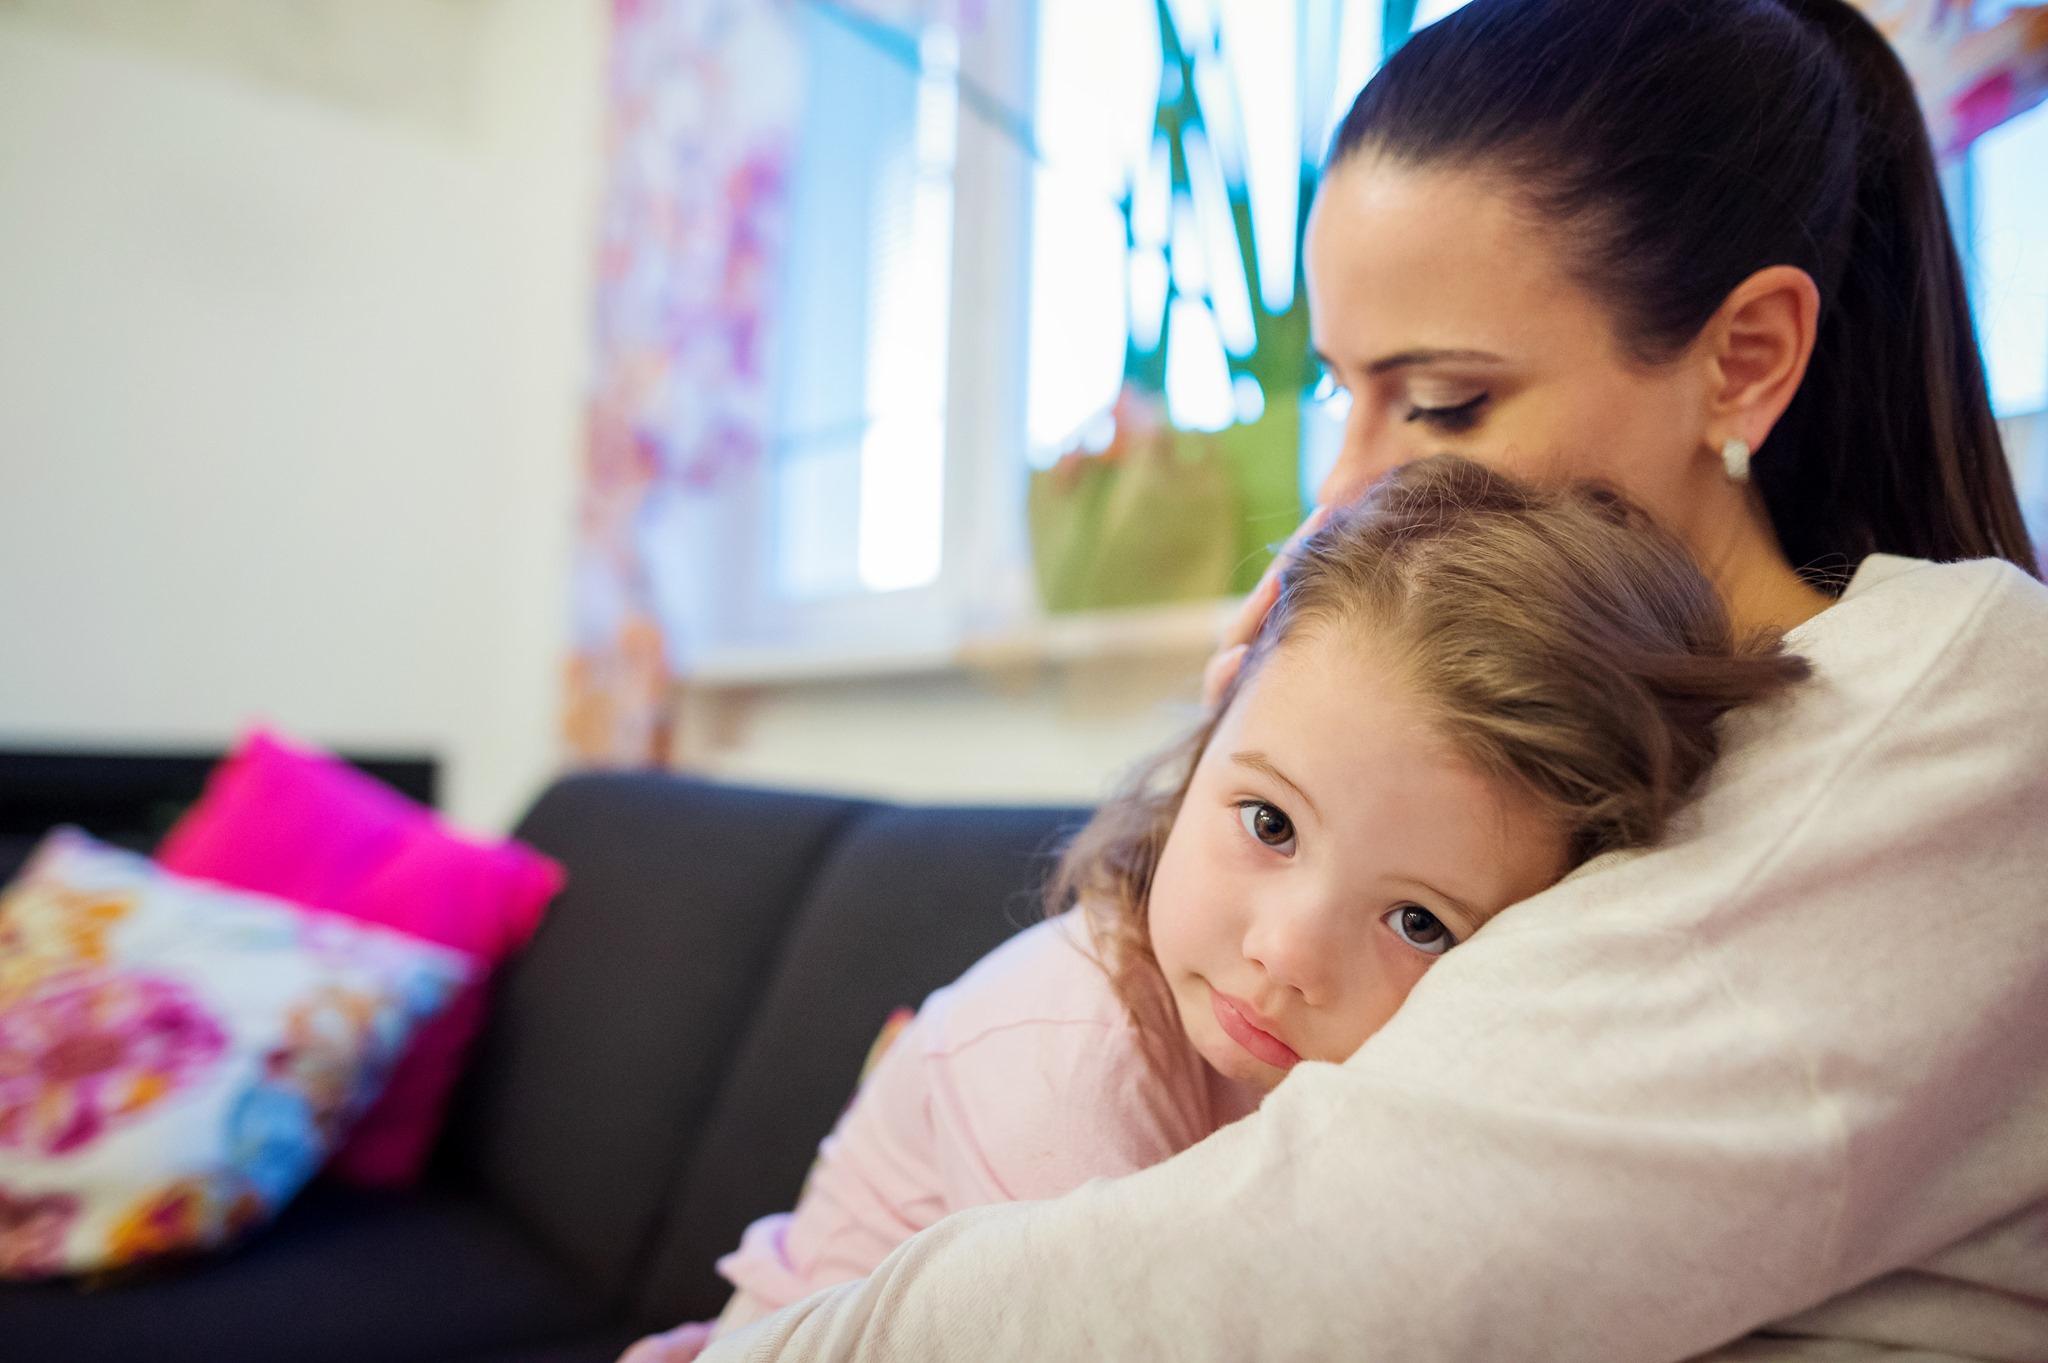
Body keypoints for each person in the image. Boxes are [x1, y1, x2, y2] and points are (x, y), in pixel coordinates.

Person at [696, 0, 2048, 1358]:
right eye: (1341, 388)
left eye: (1446, 402)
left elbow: (1247, 1281)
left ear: (1742, 357)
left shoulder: (1956, 717)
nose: (1345, 487)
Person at [623, 456, 1808, 1363]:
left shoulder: (1419, 1098)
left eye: (1418, 923)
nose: (1286, 954)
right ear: (1212, 723)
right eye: (1270, 824)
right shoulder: (1061, 1043)